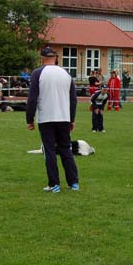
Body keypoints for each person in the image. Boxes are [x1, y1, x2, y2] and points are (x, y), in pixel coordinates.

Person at [26, 46, 79, 192]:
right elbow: (73, 99)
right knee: (66, 149)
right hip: (63, 116)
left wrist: (29, 119)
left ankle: (54, 183)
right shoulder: (66, 73)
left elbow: (32, 98)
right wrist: (72, 119)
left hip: (46, 117)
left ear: (41, 58)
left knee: (49, 150)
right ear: (55, 57)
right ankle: (73, 182)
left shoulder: (38, 73)